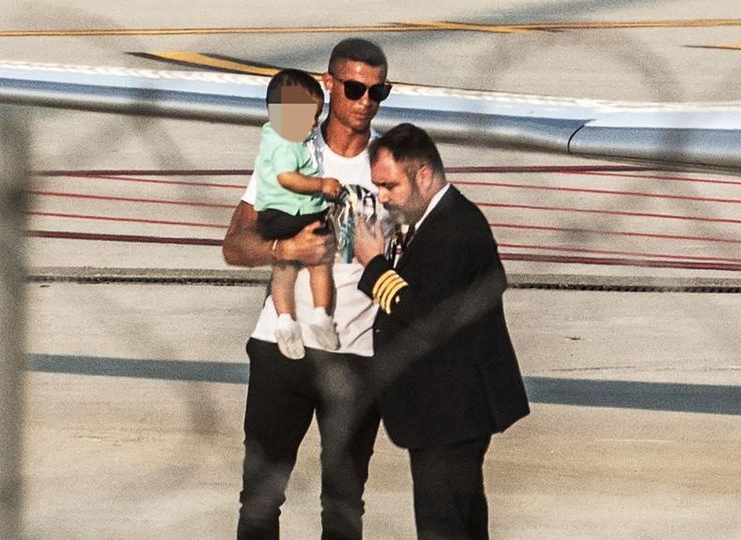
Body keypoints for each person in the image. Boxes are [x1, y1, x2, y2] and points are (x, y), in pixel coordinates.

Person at [222, 38, 393, 540]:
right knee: (260, 499)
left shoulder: (391, 162)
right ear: (329, 84)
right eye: (355, 88)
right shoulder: (291, 146)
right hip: (283, 349)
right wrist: (284, 249)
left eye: (378, 91)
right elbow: (235, 244)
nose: (365, 102)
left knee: (344, 506)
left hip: (357, 353)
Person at [353, 123, 530, 540]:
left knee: (442, 526)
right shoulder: (433, 220)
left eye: (390, 185)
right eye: (378, 186)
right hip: (447, 411)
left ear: (424, 175)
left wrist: (374, 265)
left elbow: (423, 315)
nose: (382, 196)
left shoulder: (454, 229)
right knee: (462, 523)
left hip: (450, 414)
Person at [253, 68, 342, 359]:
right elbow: (287, 178)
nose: (315, 124)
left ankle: (285, 319)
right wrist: (321, 185)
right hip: (297, 210)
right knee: (320, 261)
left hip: (271, 215)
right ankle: (321, 314)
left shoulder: (271, 136)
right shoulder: (288, 143)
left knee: (284, 268)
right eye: (310, 117)